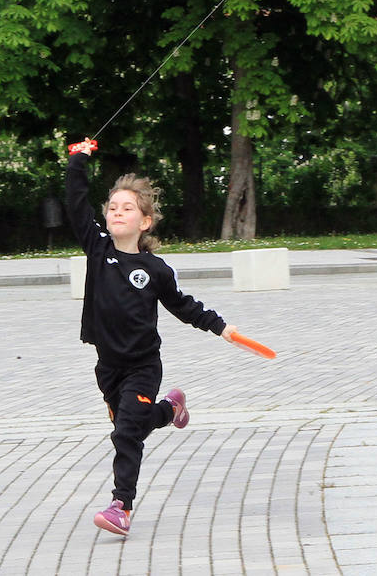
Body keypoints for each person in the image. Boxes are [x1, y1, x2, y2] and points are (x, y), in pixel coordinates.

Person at [65, 140, 238, 536]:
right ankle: (170, 409)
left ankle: (120, 507)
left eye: (128, 207)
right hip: (108, 367)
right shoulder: (97, 248)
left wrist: (219, 326)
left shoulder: (154, 269)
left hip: (143, 366)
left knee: (126, 433)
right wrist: (78, 160)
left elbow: (183, 305)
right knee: (135, 425)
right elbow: (76, 204)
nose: (117, 212)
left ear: (144, 221)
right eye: (112, 207)